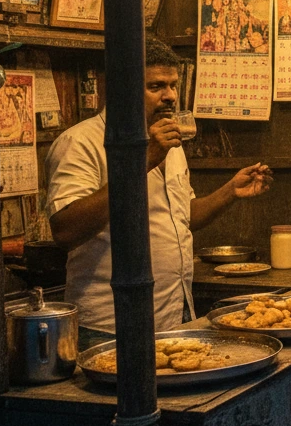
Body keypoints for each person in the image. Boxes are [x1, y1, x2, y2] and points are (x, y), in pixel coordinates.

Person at [45, 41, 273, 347]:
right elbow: (65, 229)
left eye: (173, 85)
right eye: (156, 86)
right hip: (108, 327)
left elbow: (180, 217)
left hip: (172, 316)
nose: (170, 96)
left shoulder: (167, 140)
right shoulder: (81, 143)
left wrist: (229, 191)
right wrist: (143, 161)